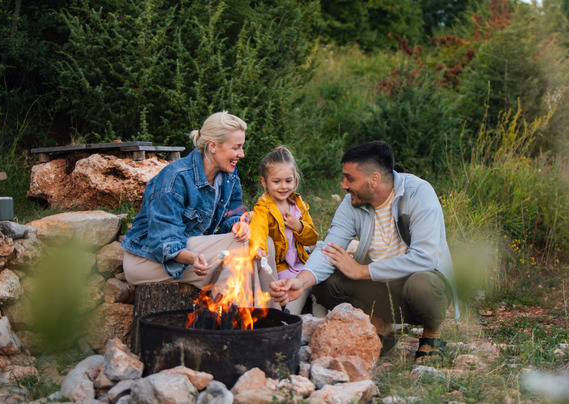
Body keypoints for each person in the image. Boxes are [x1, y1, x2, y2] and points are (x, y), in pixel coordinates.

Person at [269, 141, 459, 360]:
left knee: (423, 285)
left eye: (350, 178)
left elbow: (425, 257)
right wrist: (300, 283)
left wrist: (362, 271)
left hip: (417, 283)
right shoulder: (352, 202)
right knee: (325, 284)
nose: (343, 185)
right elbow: (330, 248)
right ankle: (379, 323)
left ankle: (431, 334)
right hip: (381, 287)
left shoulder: (418, 193)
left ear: (374, 180)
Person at [121, 111, 277, 307]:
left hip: (193, 254)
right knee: (237, 247)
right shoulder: (175, 178)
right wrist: (194, 258)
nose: (242, 154)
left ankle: (274, 320)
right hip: (149, 260)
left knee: (263, 243)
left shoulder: (229, 177)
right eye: (236, 147)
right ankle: (230, 326)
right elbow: (164, 241)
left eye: (242, 147)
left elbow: (234, 213)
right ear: (213, 146)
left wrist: (239, 225)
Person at [249, 146, 319, 314]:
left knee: (317, 281)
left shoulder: (298, 205)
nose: (283, 187)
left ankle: (320, 321)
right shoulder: (264, 207)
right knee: (292, 287)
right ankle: (289, 317)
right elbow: (257, 228)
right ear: (264, 182)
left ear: (294, 179)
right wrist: (258, 248)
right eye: (276, 181)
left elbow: (312, 239)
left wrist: (299, 227)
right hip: (282, 267)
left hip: (301, 262)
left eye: (288, 181)